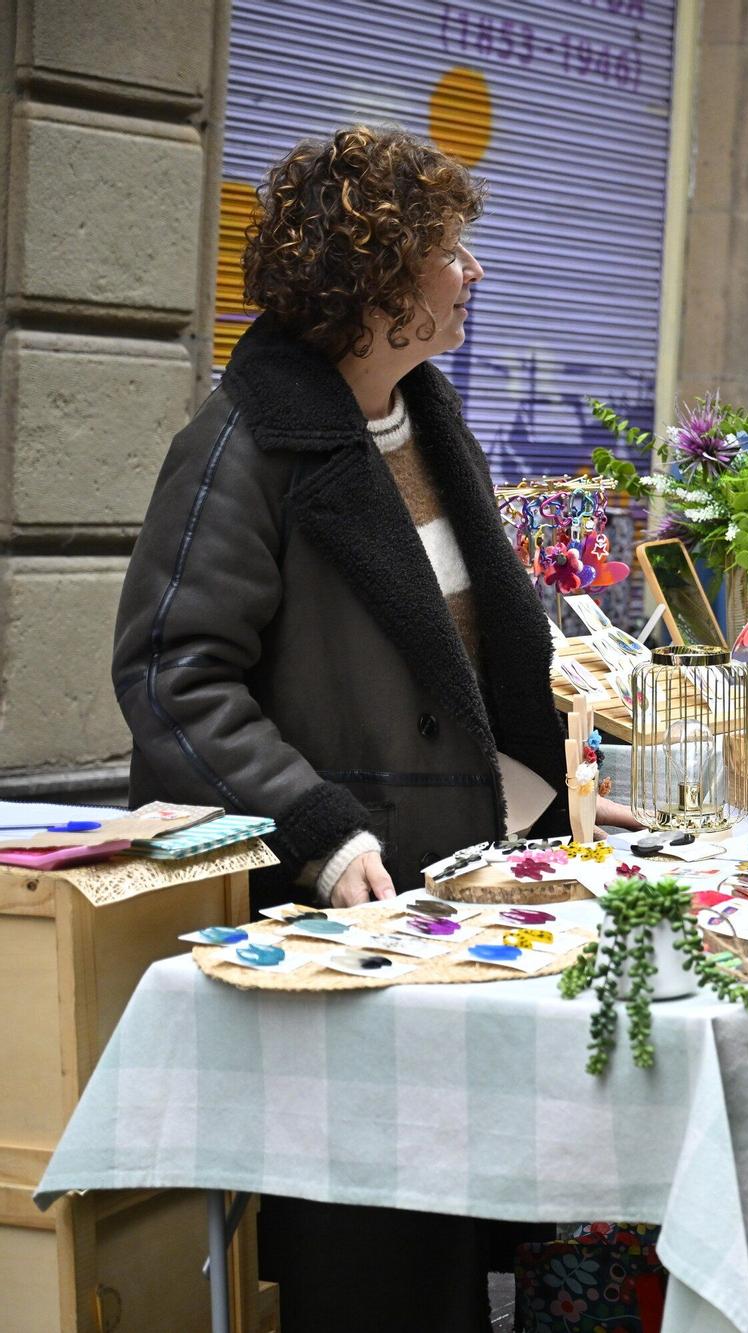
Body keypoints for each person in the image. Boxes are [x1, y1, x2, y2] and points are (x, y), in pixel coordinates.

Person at [112, 125, 636, 1331]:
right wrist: (319, 829)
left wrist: (569, 769)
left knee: (456, 1246)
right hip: (347, 925)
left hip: (463, 897)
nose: (473, 270)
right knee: (375, 1267)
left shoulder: (420, 416)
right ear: (381, 281)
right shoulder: (240, 444)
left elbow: (467, 659)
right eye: (451, 248)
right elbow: (169, 674)